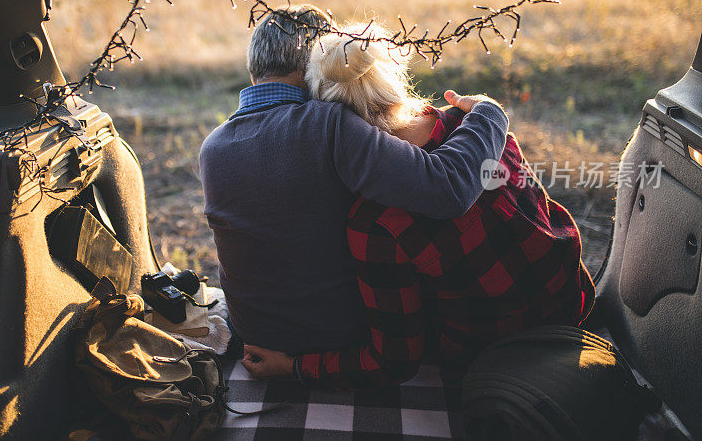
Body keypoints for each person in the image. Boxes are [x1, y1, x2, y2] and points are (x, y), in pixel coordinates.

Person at [240, 24, 595, 387]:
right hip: (571, 303)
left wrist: (294, 367)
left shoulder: (372, 221)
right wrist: (487, 110)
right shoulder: (472, 125)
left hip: (494, 362)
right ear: (393, 77)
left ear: (323, 111)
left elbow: (394, 361)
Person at [199, 5, 509, 358]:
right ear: (319, 65)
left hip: (254, 334)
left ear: (253, 70)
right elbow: (448, 189)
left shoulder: (212, 146)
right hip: (340, 340)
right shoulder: (326, 125)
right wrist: (489, 112)